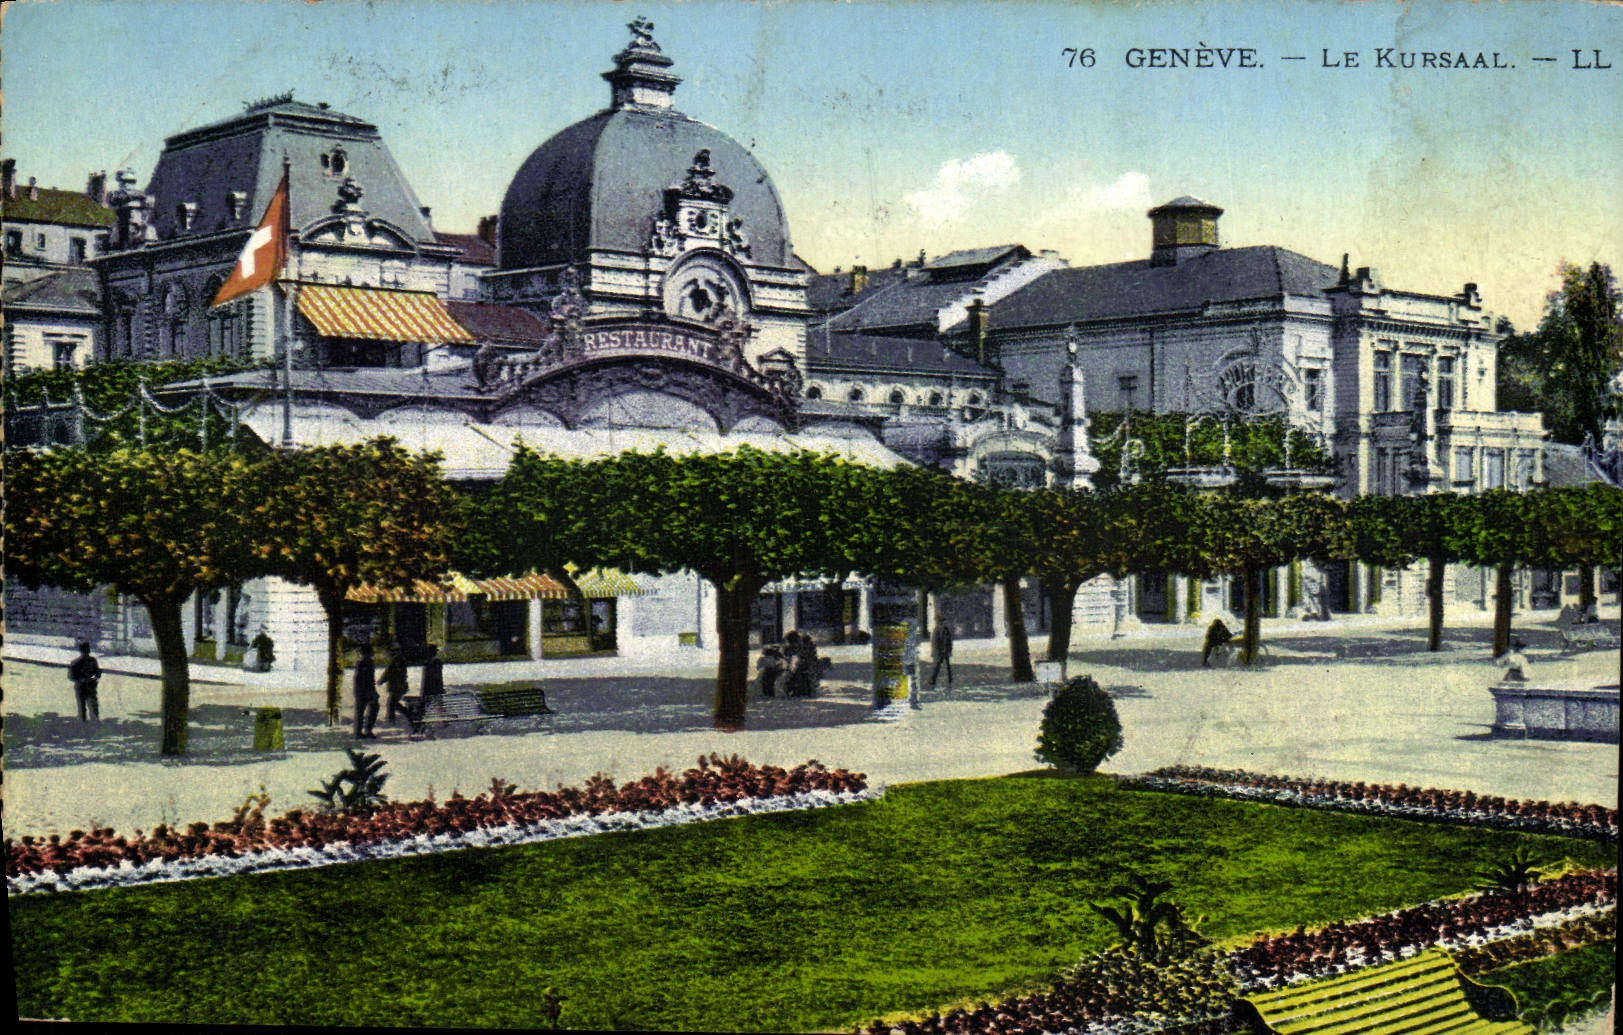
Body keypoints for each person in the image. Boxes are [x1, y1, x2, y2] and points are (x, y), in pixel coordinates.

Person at [68, 641, 101, 722]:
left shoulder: (75, 662)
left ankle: (85, 722)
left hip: (83, 686)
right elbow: (98, 673)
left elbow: (71, 676)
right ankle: (93, 721)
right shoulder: (91, 660)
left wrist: (81, 679)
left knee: (84, 705)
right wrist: (94, 678)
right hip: (87, 686)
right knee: (90, 705)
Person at [352, 644, 379, 739]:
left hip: (363, 691)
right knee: (367, 710)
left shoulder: (363, 663)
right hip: (364, 692)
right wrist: (371, 692)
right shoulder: (364, 663)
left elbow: (368, 679)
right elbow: (364, 679)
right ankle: (364, 731)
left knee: (362, 712)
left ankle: (361, 732)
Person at [379, 649, 409, 722]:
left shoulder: (393, 662)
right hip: (400, 686)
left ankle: (406, 714)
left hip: (395, 686)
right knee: (392, 703)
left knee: (392, 703)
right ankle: (391, 718)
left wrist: (381, 681)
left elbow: (387, 673)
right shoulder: (401, 660)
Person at [929, 619, 955, 688]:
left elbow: (949, 641)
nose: (945, 623)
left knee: (948, 667)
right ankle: (932, 681)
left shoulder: (946, 629)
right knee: (936, 667)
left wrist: (949, 650)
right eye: (943, 622)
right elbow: (935, 642)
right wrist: (938, 651)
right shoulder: (937, 630)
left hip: (945, 652)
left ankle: (950, 680)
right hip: (939, 653)